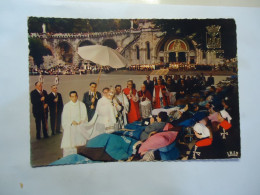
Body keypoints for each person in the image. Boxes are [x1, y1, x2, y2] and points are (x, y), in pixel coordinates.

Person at [61, 91, 88, 157]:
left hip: (79, 127)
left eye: (75, 96)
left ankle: (80, 156)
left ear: (77, 96)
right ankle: (70, 157)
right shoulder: (67, 106)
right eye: (72, 96)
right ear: (70, 97)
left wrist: (82, 121)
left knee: (80, 144)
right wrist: (71, 122)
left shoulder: (81, 104)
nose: (74, 98)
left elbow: (84, 115)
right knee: (70, 144)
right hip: (70, 128)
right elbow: (64, 117)